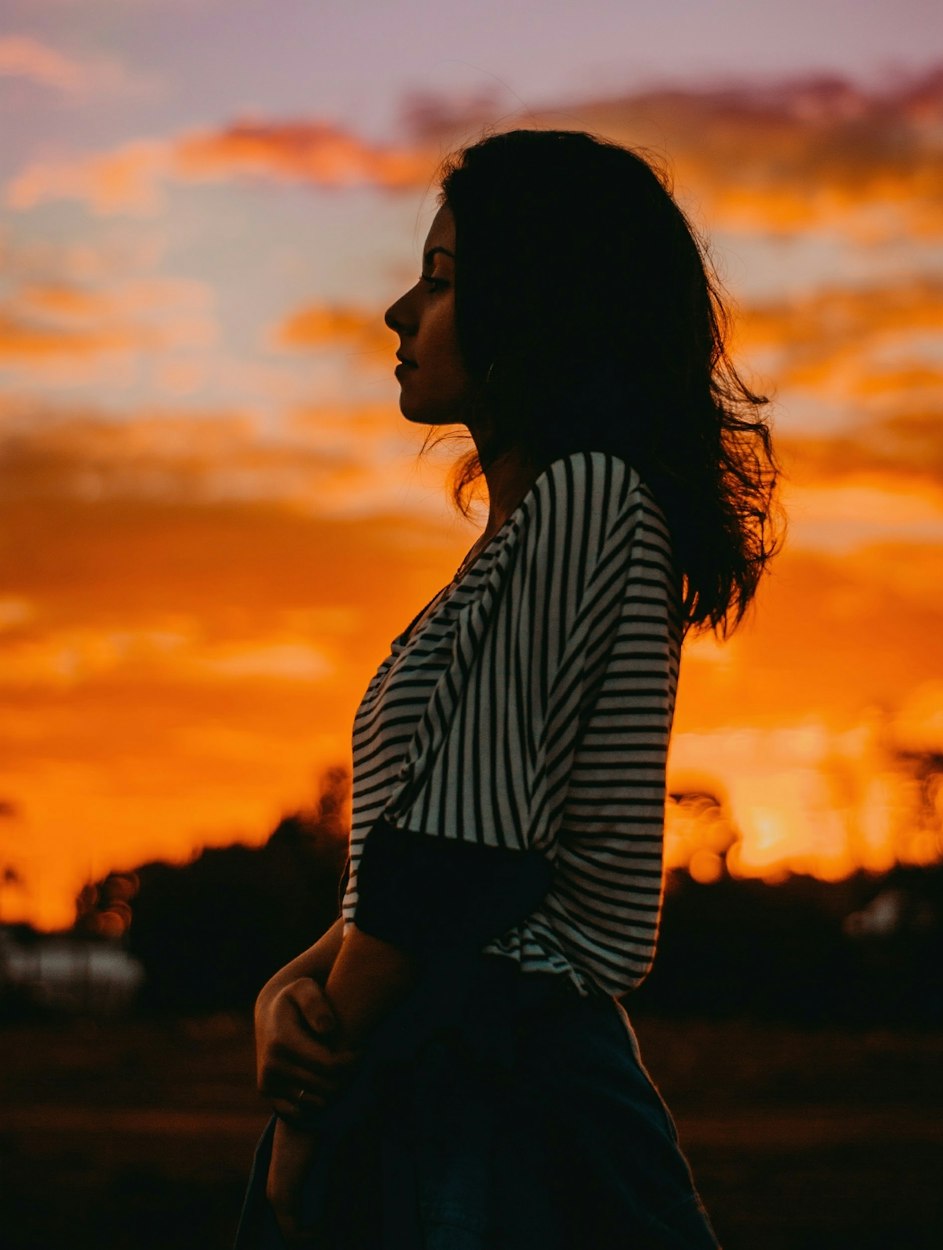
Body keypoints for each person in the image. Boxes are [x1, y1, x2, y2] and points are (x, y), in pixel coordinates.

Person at [235, 128, 781, 1249]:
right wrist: (282, 995)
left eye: (439, 280)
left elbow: (459, 857)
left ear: (538, 303)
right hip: (439, 1053)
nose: (399, 311)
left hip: (497, 1083)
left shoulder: (591, 498)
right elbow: (401, 860)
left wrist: (307, 1110)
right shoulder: (517, 547)